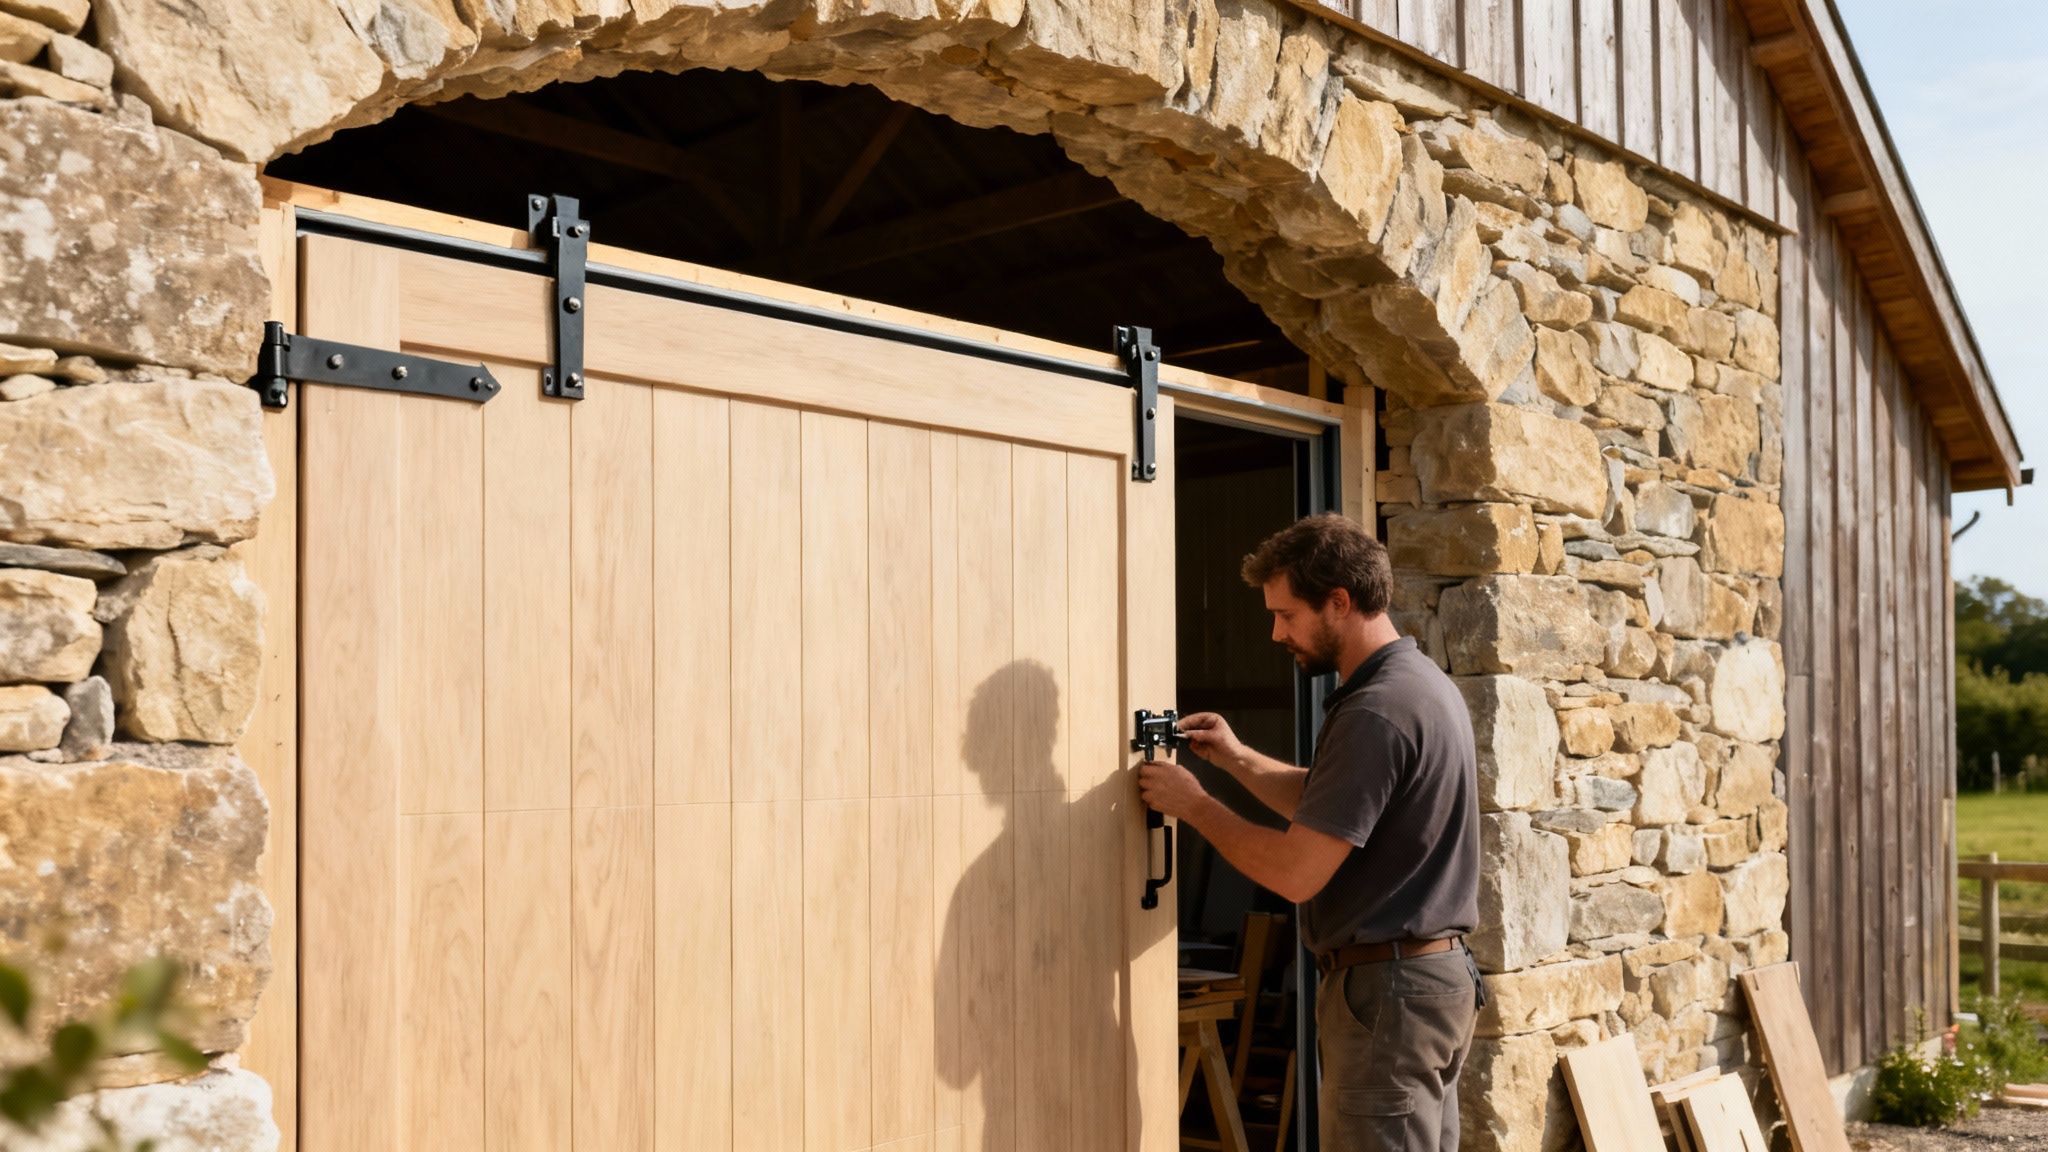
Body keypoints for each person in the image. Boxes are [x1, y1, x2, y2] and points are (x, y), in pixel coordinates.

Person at [1136, 512, 1482, 1152]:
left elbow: (1298, 873)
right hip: (1426, 984)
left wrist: (1196, 806)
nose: (1275, 633)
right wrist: (1238, 760)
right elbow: (1341, 806)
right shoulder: (1418, 687)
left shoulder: (1377, 711)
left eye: (1287, 615)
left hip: (1390, 994)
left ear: (1340, 602)